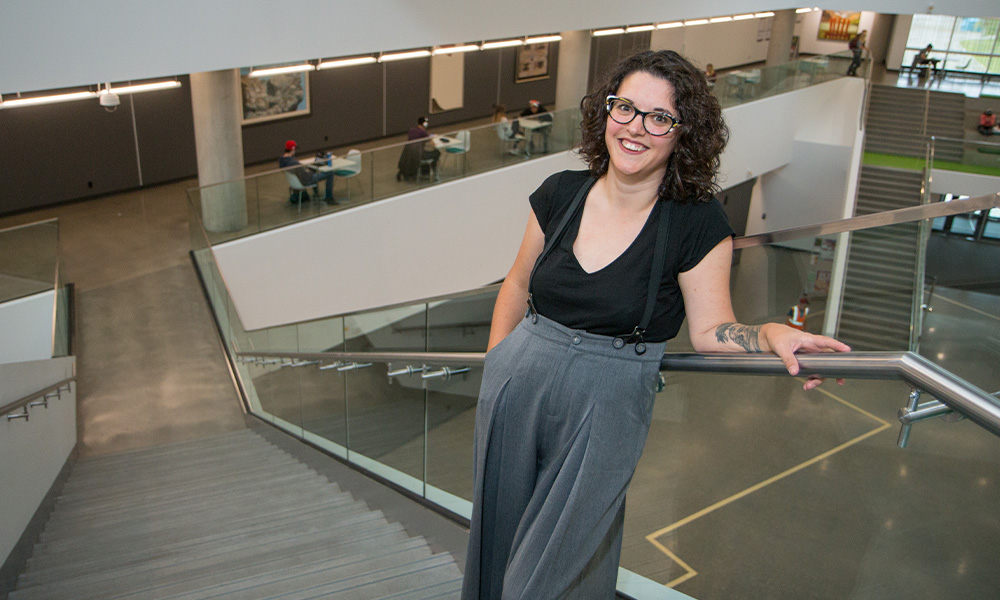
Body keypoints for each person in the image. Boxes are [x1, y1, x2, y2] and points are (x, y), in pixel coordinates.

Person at [460, 49, 850, 600]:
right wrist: (497, 363)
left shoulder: (697, 221)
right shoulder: (560, 193)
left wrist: (769, 334)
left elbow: (712, 329)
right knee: (497, 541)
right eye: (625, 108)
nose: (635, 128)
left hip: (607, 399)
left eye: (659, 117)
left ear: (683, 132)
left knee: (549, 573)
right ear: (605, 112)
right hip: (517, 377)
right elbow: (518, 284)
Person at [397, 116, 440, 180]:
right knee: (437, 153)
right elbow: (432, 143)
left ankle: (425, 171)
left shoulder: (412, 130)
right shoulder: (423, 132)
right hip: (419, 155)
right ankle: (432, 172)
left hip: (409, 154)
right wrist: (432, 138)